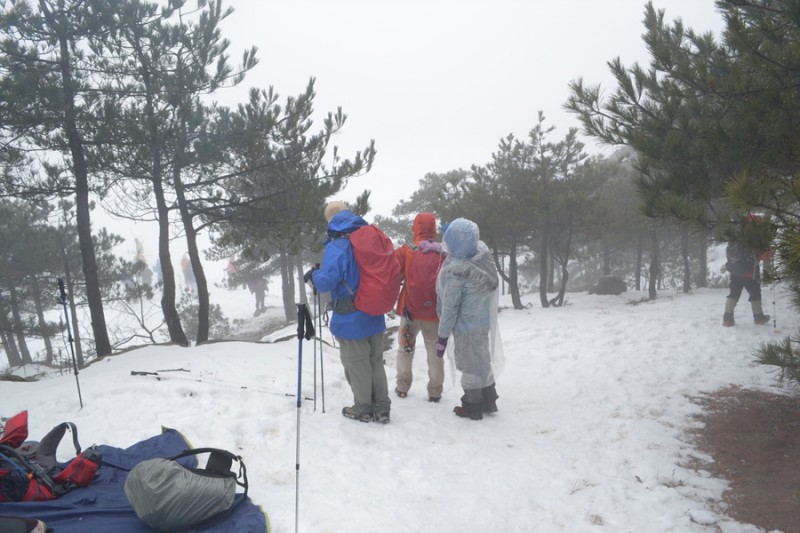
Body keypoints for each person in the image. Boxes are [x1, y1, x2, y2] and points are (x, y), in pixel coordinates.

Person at [304, 201, 392, 424]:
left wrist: (314, 275)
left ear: (330, 220)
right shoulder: (370, 237)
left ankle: (363, 408)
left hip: (351, 316)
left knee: (357, 363)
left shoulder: (338, 246)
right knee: (375, 361)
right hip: (374, 310)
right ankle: (382, 408)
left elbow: (326, 282)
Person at [435, 218, 503, 421]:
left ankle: (472, 405)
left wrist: (442, 336)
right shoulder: (482, 258)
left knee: (468, 365)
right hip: (482, 323)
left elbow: (450, 308)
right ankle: (489, 399)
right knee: (481, 360)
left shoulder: (456, 273)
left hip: (465, 327)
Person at [394, 213, 446, 402]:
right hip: (435, 314)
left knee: (405, 350)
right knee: (435, 353)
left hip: (410, 312)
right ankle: (435, 391)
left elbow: (392, 270)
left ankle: (402, 386)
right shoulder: (443, 252)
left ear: (415, 227)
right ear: (434, 228)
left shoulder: (407, 250)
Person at [722, 215, 772, 327]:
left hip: (735, 272)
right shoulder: (757, 238)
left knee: (733, 295)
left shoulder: (736, 236)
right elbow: (763, 255)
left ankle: (727, 319)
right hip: (750, 274)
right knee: (755, 294)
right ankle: (759, 318)